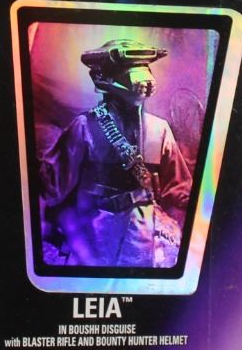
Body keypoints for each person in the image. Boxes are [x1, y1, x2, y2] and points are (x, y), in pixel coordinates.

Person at [38, 39, 193, 268]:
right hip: (93, 231)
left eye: (144, 68)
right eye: (132, 69)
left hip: (141, 234)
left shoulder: (159, 130)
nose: (144, 80)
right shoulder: (85, 126)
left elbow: (179, 187)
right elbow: (52, 187)